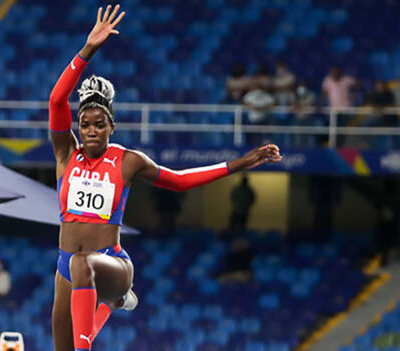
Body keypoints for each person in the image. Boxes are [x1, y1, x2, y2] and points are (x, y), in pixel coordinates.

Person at [48, 5, 282, 350]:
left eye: (100, 124)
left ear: (112, 127)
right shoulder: (66, 155)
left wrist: (238, 164)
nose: (92, 131)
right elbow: (56, 100)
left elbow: (180, 180)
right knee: (61, 340)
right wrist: (87, 51)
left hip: (110, 262)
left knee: (84, 267)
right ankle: (114, 304)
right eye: (85, 124)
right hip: (65, 265)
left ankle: (115, 298)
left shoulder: (128, 161)